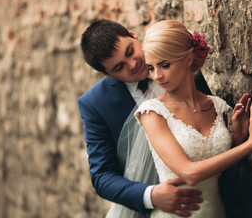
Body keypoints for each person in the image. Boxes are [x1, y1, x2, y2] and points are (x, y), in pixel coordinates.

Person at [78, 19, 213, 217]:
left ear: (133, 35)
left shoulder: (179, 65)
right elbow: (102, 176)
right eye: (119, 67)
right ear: (105, 73)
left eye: (130, 51)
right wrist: (151, 195)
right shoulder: (95, 103)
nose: (133, 64)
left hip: (203, 197)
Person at [134, 20, 252, 217]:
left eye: (164, 65)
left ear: (188, 59)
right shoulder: (152, 113)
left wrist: (238, 138)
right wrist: (250, 143)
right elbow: (190, 173)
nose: (156, 76)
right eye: (151, 68)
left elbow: (227, 180)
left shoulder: (218, 106)